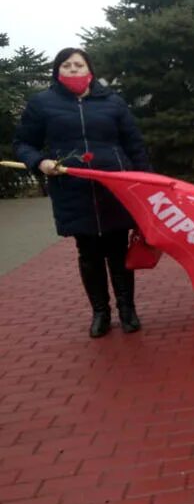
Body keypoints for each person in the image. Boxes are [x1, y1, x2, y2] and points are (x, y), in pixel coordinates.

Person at [13, 47, 151, 338]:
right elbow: (24, 144)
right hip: (72, 189)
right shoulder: (42, 103)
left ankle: (128, 310)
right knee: (88, 253)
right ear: (57, 71)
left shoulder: (112, 102)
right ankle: (100, 312)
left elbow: (134, 144)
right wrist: (40, 162)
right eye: (67, 65)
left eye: (79, 64)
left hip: (114, 187)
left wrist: (146, 183)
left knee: (118, 250)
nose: (74, 70)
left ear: (90, 70)